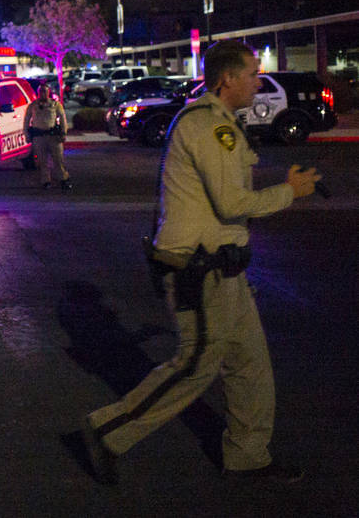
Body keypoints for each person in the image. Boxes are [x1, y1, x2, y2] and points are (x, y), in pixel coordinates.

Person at [81, 40, 321, 485]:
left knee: (249, 366)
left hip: (223, 269)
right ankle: (106, 431)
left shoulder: (217, 122)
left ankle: (248, 456)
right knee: (195, 366)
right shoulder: (210, 127)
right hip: (201, 270)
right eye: (252, 73)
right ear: (227, 79)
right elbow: (232, 203)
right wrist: (290, 192)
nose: (257, 81)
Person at [23, 83, 71, 190]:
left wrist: (63, 133)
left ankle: (63, 179)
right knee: (42, 161)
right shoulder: (33, 106)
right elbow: (26, 121)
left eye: (45, 91)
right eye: (41, 91)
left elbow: (63, 119)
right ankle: (46, 181)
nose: (43, 93)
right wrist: (27, 135)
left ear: (49, 92)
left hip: (53, 136)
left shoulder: (55, 105)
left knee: (58, 160)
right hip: (39, 137)